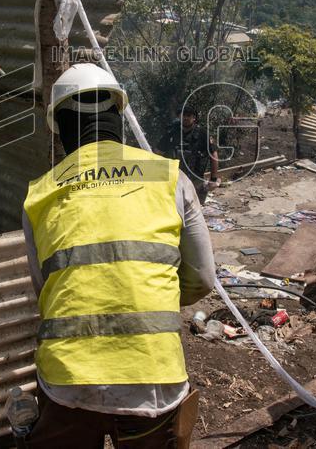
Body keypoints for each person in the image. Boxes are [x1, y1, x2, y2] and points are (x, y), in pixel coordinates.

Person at [20, 64, 216, 448]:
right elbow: (204, 279)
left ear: (59, 126)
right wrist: (149, 300)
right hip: (153, 374)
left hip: (67, 381)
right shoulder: (170, 178)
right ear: (118, 115)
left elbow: (47, 291)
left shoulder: (39, 194)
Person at [157, 105, 220, 203]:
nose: (185, 118)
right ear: (179, 117)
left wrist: (213, 179)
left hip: (195, 180)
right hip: (174, 179)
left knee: (195, 209)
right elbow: (158, 153)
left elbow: (214, 155)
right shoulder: (171, 133)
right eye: (183, 115)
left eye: (188, 115)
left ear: (194, 118)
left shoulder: (202, 134)